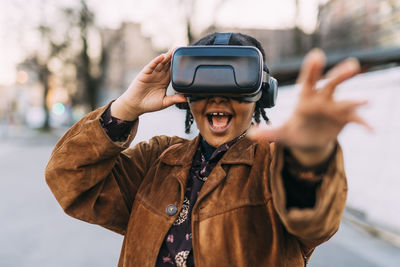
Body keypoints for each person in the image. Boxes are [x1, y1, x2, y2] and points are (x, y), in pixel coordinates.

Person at [45, 32, 370, 267]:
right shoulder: (157, 159)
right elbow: (70, 179)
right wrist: (126, 107)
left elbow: (315, 221)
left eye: (234, 86)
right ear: (187, 97)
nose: (217, 99)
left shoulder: (275, 163)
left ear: (262, 95)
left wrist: (310, 154)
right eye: (204, 86)